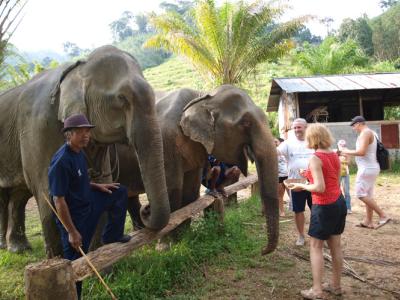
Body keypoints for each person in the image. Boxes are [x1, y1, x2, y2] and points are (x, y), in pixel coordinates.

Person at [48, 114, 131, 299]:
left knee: (119, 192)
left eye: (87, 131)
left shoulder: (79, 152)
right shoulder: (61, 162)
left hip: (88, 202)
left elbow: (79, 181)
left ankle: (112, 235)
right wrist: (71, 231)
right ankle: (74, 296)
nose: (86, 135)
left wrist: (97, 186)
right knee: (76, 264)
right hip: (74, 217)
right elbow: (58, 200)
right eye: (80, 132)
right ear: (69, 135)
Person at [289, 123, 347, 300]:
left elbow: (320, 187)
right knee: (335, 246)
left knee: (316, 247)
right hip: (338, 202)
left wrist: (301, 185)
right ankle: (336, 286)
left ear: (312, 138)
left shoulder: (315, 158)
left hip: (324, 206)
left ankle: (317, 290)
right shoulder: (333, 155)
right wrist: (308, 174)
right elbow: (332, 181)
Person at [341, 116, 390, 228]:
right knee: (368, 195)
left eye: (354, 126)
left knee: (360, 193)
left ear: (359, 124)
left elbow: (361, 152)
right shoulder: (371, 133)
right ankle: (368, 221)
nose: (354, 128)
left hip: (367, 168)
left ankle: (383, 215)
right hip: (370, 167)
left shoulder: (365, 133)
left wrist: (346, 151)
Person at [277, 118, 314, 246]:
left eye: (299, 127)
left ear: (306, 127)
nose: (297, 130)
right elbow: (276, 152)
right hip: (296, 182)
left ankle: (317, 234)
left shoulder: (313, 141)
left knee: (316, 209)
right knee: (298, 210)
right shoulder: (287, 143)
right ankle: (301, 235)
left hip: (314, 181)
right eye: (295, 128)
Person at [275, 137, 289, 217]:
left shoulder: (286, 152)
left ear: (281, 143)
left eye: (276, 141)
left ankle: (295, 209)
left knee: (291, 193)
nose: (274, 143)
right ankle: (282, 211)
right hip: (279, 176)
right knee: (280, 194)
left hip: (288, 175)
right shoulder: (273, 152)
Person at [337, 139, 352, 213]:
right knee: (337, 190)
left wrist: (345, 156)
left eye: (344, 145)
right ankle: (338, 207)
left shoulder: (348, 152)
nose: (342, 147)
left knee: (346, 191)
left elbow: (348, 162)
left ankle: (348, 208)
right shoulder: (336, 152)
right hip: (337, 173)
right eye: (341, 145)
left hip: (346, 173)